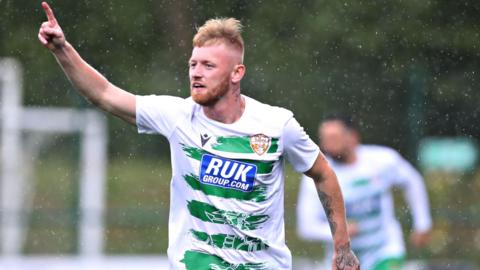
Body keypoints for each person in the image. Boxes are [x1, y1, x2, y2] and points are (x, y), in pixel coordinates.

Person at [38, 2, 360, 269]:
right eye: (193, 64)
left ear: (237, 73)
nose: (195, 72)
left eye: (208, 65)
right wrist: (62, 49)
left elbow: (323, 173)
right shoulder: (178, 116)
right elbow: (105, 94)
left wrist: (341, 246)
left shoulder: (277, 125)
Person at [297, 114, 432, 270]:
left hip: (385, 250)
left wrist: (423, 223)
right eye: (325, 139)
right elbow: (306, 226)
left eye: (334, 138)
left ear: (353, 137)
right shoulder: (314, 177)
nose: (328, 145)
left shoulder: (382, 160)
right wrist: (340, 230)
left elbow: (412, 181)